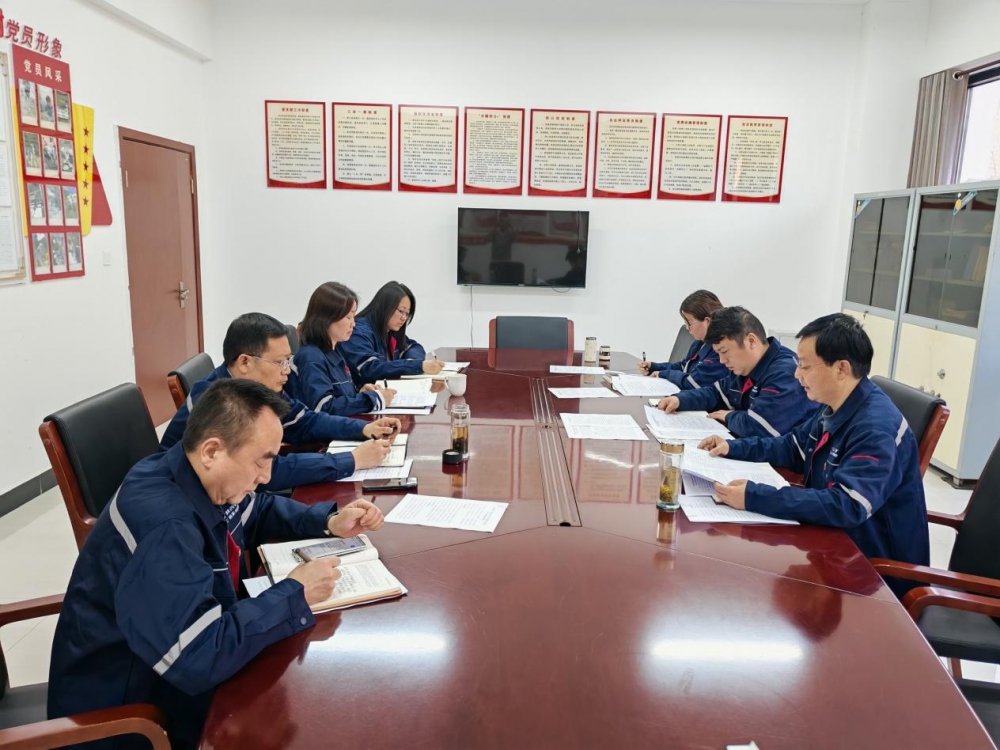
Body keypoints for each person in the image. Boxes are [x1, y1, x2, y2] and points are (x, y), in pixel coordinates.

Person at [48, 379, 386, 750]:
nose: (267, 476)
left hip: (171, 664)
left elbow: (257, 509)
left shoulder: (193, 473)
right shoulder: (165, 527)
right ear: (212, 450)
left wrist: (327, 521)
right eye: (261, 460)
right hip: (130, 715)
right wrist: (295, 593)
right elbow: (197, 656)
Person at [699, 313, 929, 598]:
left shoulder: (875, 428)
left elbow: (847, 505)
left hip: (873, 577)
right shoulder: (834, 405)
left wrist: (754, 496)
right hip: (832, 546)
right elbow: (792, 447)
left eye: (805, 366)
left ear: (841, 369)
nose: (797, 375)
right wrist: (732, 447)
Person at [161, 312, 398, 490]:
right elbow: (267, 472)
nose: (287, 370)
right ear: (245, 362)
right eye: (280, 362)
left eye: (288, 360)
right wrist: (351, 460)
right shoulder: (222, 405)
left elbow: (303, 421)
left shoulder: (258, 387)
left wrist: (364, 428)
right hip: (187, 497)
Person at [657, 306, 816, 438]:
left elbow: (758, 428)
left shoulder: (785, 373)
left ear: (751, 341)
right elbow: (717, 393)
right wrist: (680, 399)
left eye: (724, 351)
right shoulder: (746, 367)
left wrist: (729, 416)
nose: (722, 360)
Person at [290, 282, 396, 416]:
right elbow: (323, 407)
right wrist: (373, 399)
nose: (353, 324)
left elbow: (339, 397)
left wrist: (359, 394)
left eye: (353, 317)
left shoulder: (334, 351)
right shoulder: (311, 357)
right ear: (327, 318)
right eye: (348, 317)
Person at [340, 281, 444, 385]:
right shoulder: (358, 331)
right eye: (401, 311)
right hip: (363, 392)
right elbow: (370, 369)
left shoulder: (389, 330)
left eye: (407, 314)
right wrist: (417, 366)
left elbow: (413, 347)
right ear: (385, 306)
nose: (404, 318)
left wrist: (411, 361)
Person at [640, 289, 728, 390]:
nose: (687, 328)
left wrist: (663, 374)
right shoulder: (698, 344)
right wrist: (653, 367)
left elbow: (693, 382)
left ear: (707, 321)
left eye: (689, 322)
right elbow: (683, 367)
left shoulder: (720, 351)